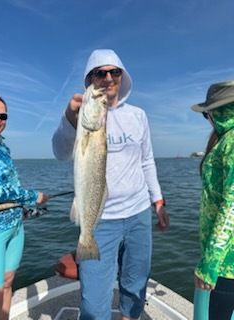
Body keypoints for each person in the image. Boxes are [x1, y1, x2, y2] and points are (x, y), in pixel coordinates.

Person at [52, 49, 169, 320]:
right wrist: (70, 118)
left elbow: (147, 161)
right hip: (100, 220)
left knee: (135, 285)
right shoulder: (81, 115)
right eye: (99, 73)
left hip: (139, 214)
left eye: (114, 72)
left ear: (122, 76)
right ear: (90, 79)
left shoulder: (138, 115)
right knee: (93, 302)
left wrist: (159, 202)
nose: (107, 78)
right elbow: (60, 151)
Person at [0, 95, 48, 320]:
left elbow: (11, 184)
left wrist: (23, 209)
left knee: (8, 284)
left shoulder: (2, 147)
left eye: (2, 115)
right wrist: (34, 197)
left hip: (15, 225)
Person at [191, 81, 234, 320]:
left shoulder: (231, 142)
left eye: (207, 114)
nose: (207, 120)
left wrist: (209, 264)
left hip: (225, 267)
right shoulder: (226, 140)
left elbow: (232, 207)